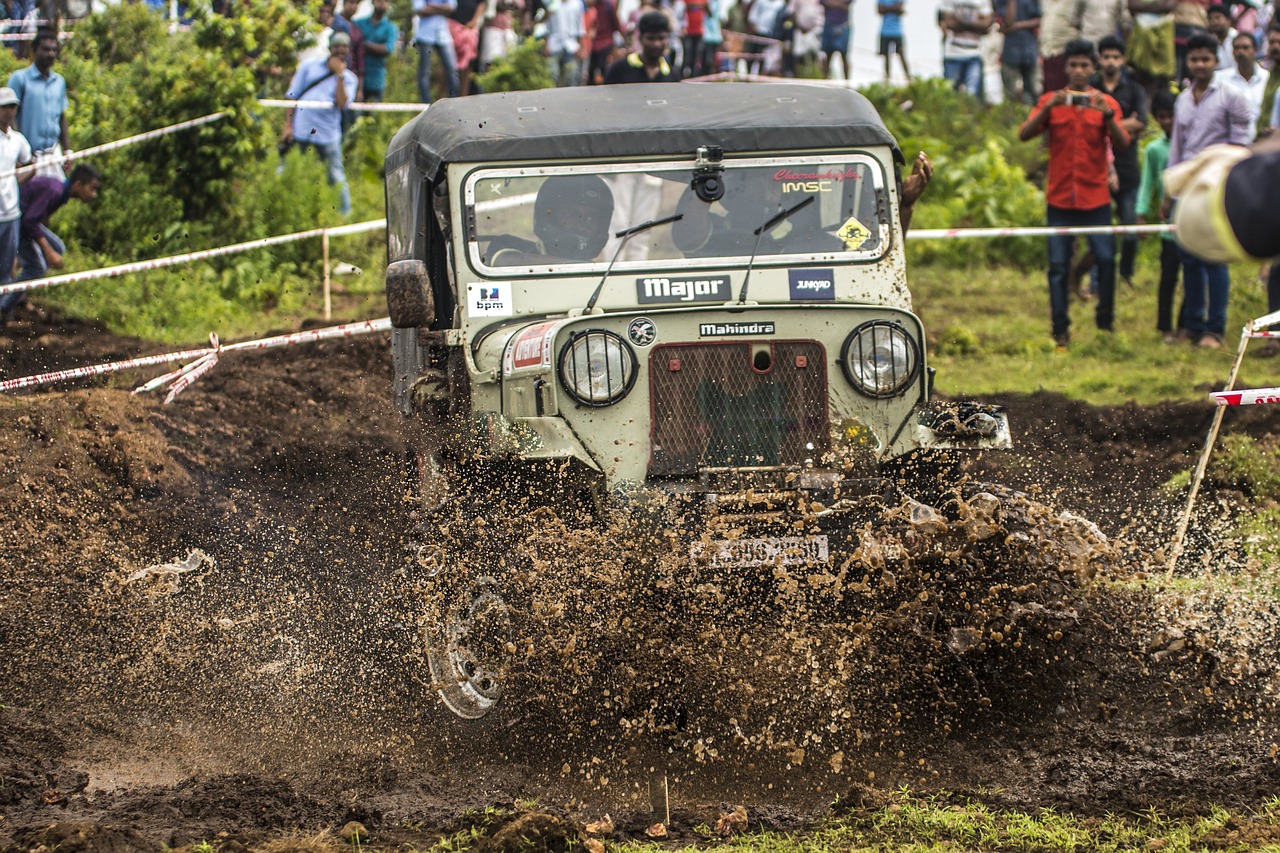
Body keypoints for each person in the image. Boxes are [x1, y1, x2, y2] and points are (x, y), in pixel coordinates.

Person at [1019, 39, 1130, 350]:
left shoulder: (1105, 104)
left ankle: (1105, 323)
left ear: (1092, 69)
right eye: (1074, 65)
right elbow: (1025, 134)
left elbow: (1122, 144)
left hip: (1095, 198)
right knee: (1057, 266)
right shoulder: (1050, 101)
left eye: (1084, 65)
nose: (1079, 71)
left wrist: (1107, 115)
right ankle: (1060, 330)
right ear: (1066, 68)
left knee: (1107, 258)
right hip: (1060, 199)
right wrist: (1049, 109)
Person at [1163, 31, 1252, 347]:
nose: (1200, 64)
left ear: (1216, 61)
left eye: (1205, 59)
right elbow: (1177, 147)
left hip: (1218, 187)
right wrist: (1168, 192)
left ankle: (1215, 328)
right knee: (1189, 257)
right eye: (1194, 59)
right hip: (1187, 188)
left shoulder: (1232, 96)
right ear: (1187, 62)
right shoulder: (1183, 99)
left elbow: (1241, 147)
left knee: (1214, 257)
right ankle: (1192, 325)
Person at [0, 163, 99, 321]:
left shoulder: (59, 191)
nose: (93, 194)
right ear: (78, 184)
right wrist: (47, 251)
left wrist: (50, 250)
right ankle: (4, 308)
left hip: (26, 222)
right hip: (18, 222)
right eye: (91, 188)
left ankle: (23, 281)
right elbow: (30, 221)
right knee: (38, 267)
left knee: (58, 247)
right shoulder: (55, 191)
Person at [1089, 34, 1147, 290]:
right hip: (1097, 166)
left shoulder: (1134, 89)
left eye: (1115, 57)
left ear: (1122, 60)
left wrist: (1104, 123)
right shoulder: (1090, 87)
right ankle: (1094, 280)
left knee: (1130, 229)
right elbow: (1133, 124)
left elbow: (1142, 122)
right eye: (1106, 57)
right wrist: (1125, 125)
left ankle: (1125, 275)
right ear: (1099, 60)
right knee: (1098, 230)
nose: (1111, 61)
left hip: (1127, 166)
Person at [281, 32, 359, 216]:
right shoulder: (309, 66)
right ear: (330, 47)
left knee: (336, 175)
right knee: (292, 170)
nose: (340, 50)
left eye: (344, 47)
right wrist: (288, 125)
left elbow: (342, 103)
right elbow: (292, 96)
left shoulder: (349, 78)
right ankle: (290, 212)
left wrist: (339, 75)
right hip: (302, 129)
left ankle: (343, 216)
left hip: (327, 134)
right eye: (337, 46)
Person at [1134, 90, 1184, 342]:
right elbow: (1147, 184)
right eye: (1161, 117)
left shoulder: (1189, 144)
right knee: (1168, 277)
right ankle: (1165, 327)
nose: (1166, 122)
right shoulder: (1154, 150)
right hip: (1168, 226)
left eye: (1170, 116)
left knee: (1192, 276)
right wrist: (1141, 213)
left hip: (1190, 220)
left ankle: (1186, 325)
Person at [489, 175, 615, 264]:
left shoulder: (600, 276)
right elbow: (508, 261)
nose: (581, 225)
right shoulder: (507, 244)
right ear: (548, 216)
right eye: (569, 215)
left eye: (590, 218)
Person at [6, 29, 67, 181]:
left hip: (53, 154)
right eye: (46, 49)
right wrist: (19, 152)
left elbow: (62, 117)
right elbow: (9, 117)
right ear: (35, 50)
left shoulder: (59, 82)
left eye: (54, 50)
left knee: (55, 197)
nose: (50, 54)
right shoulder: (20, 79)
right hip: (30, 157)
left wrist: (68, 151)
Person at [0, 86, 31, 323]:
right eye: (4, 107)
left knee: (6, 268)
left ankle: (3, 318)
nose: (9, 112)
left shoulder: (18, 141)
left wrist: (14, 183)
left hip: (10, 214)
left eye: (12, 107)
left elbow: (30, 165)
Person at [1215, 30, 1269, 137]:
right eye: (1237, 48)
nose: (1240, 52)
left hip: (1262, 140)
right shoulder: (1220, 79)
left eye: (1245, 48)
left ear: (1255, 51)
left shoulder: (1267, 78)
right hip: (1231, 140)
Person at [605, 10, 680, 81]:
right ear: (640, 38)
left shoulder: (672, 75)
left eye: (661, 38)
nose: (656, 44)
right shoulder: (619, 69)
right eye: (651, 38)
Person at [940, 0, 994, 93]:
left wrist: (961, 23)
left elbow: (986, 23)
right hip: (953, 54)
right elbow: (949, 22)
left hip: (975, 53)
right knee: (951, 93)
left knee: (972, 94)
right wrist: (976, 26)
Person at [413, 0, 461, 103]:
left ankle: (454, 101)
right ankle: (426, 104)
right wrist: (442, 9)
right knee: (425, 71)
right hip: (425, 34)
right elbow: (420, 9)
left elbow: (452, 7)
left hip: (443, 34)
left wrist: (432, 6)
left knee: (452, 68)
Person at [355, 0, 400, 102]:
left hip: (376, 80)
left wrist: (365, 45)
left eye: (386, 1)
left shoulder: (391, 28)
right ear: (373, 2)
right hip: (357, 79)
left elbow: (388, 49)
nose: (382, 3)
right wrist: (377, 47)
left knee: (373, 115)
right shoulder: (359, 23)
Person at [1000, 0, 1041, 103]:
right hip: (1010, 53)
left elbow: (1040, 19)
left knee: (1034, 92)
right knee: (1011, 94)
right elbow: (1008, 21)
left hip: (1030, 51)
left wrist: (1018, 25)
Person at [545, 0, 586, 86]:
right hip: (554, 45)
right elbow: (546, 26)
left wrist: (582, 47)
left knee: (571, 78)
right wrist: (546, 45)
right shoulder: (552, 3)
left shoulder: (577, 4)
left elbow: (580, 27)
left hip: (572, 46)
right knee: (553, 77)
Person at [877, 0, 911, 81]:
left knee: (901, 54)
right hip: (885, 31)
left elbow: (899, 7)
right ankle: (887, 78)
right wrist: (895, 9)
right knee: (886, 56)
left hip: (897, 31)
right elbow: (880, 10)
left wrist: (887, 9)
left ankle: (908, 78)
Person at [819, 0, 852, 79]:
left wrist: (832, 3)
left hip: (843, 25)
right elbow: (824, 2)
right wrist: (840, 4)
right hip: (829, 24)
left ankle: (847, 83)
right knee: (827, 56)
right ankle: (824, 81)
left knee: (844, 56)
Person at [1207, 2, 1238, 66]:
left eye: (1217, 18)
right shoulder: (1210, 41)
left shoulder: (1237, 38)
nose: (1214, 21)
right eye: (1210, 18)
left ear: (1228, 20)